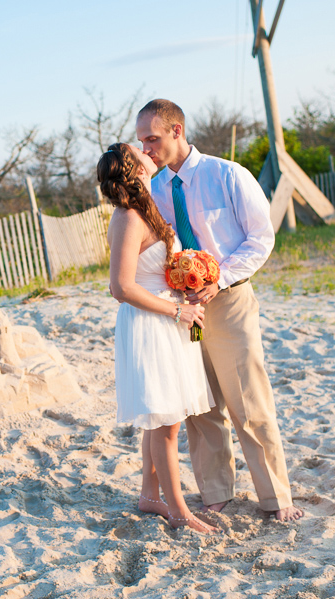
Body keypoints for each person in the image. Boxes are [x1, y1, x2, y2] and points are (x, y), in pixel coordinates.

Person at [135, 99, 303, 522]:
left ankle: (275, 497)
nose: (147, 148)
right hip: (180, 310)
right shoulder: (152, 192)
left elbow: (261, 239)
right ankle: (215, 492)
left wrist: (219, 278)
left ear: (177, 131)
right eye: (141, 141)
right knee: (200, 406)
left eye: (152, 138)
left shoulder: (227, 174)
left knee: (249, 400)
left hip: (229, 302)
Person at [99, 142, 219, 534]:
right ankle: (180, 512)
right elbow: (120, 287)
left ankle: (151, 494)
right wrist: (177, 310)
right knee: (166, 422)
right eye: (140, 149)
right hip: (151, 324)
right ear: (135, 170)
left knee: (160, 418)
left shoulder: (148, 207)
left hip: (169, 318)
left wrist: (186, 281)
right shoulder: (128, 217)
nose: (148, 149)